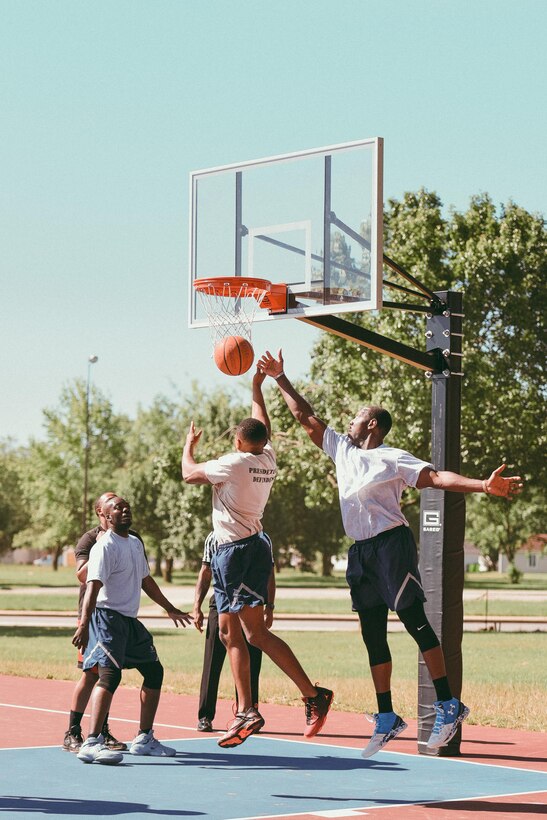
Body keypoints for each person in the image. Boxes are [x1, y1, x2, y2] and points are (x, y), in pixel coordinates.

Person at [257, 349, 523, 758]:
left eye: (357, 416)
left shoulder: (390, 457)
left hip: (390, 545)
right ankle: (386, 716)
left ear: (373, 424)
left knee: (414, 620)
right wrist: (280, 377)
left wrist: (482, 486)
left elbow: (436, 477)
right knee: (372, 635)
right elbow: (305, 418)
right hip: (360, 552)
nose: (349, 421)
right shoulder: (343, 451)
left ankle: (449, 703)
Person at [182, 368, 333, 748]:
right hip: (247, 548)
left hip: (236, 551)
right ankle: (246, 710)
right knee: (231, 631)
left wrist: (189, 446)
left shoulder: (233, 464)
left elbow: (188, 475)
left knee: (254, 634)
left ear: (236, 440)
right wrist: (256, 386)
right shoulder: (267, 457)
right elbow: (260, 423)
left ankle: (312, 695)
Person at [72, 496, 193, 765]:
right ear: (105, 515)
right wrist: (83, 624)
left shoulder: (135, 543)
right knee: (109, 675)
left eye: (127, 506)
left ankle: (144, 738)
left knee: (154, 671)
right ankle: (91, 742)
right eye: (117, 507)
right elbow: (92, 586)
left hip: (128, 619)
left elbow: (145, 580)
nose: (125, 510)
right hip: (106, 618)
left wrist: (170, 608)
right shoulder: (103, 546)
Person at [63, 491, 127, 753]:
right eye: (110, 504)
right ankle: (73, 731)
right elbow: (80, 575)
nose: (118, 508)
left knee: (108, 675)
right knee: (90, 674)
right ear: (101, 512)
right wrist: (101, 546)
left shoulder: (128, 536)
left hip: (118, 616)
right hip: (92, 614)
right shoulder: (90, 539)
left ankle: (100, 730)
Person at [193, 530, 276, 732]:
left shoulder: (263, 539)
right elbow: (205, 572)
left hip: (250, 601)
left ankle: (250, 712)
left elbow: (269, 574)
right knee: (213, 659)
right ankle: (205, 716)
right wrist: (197, 606)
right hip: (221, 603)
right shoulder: (213, 538)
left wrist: (270, 606)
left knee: (253, 657)